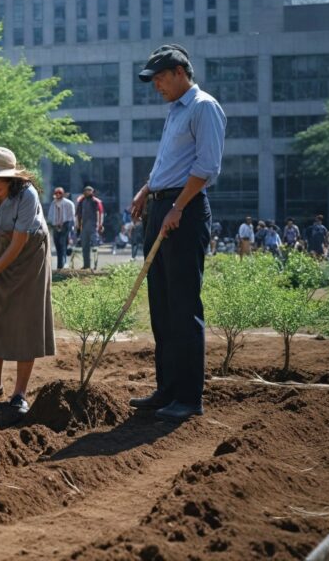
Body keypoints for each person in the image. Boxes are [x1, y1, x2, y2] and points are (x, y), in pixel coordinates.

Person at [129, 44, 226, 422]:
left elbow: (207, 166)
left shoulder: (204, 107)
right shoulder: (175, 112)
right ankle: (166, 389)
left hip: (184, 213)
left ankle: (188, 397)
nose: (156, 86)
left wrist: (178, 206)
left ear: (179, 72)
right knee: (162, 306)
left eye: (159, 78)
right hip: (161, 207)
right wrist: (146, 190)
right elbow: (166, 163)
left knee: (184, 307)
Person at [0, 147, 56, 416]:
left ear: (12, 179)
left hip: (29, 252)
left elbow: (19, 243)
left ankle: (19, 393)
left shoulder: (27, 194)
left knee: (25, 318)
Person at [75, 186, 103, 270]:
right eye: (86, 190)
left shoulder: (95, 201)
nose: (88, 192)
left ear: (92, 192)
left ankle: (95, 265)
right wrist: (78, 224)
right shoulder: (81, 201)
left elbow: (99, 213)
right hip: (84, 227)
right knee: (85, 247)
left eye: (90, 190)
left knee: (95, 247)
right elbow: (78, 214)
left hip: (93, 226)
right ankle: (86, 265)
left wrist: (100, 224)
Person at [47, 186, 75, 270]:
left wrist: (70, 228)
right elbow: (50, 215)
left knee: (63, 245)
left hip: (65, 225)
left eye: (59, 193)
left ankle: (63, 264)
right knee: (57, 246)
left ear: (62, 194)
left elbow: (71, 216)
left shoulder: (68, 203)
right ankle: (60, 266)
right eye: (56, 193)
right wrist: (52, 224)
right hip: (55, 226)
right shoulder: (53, 203)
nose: (58, 194)